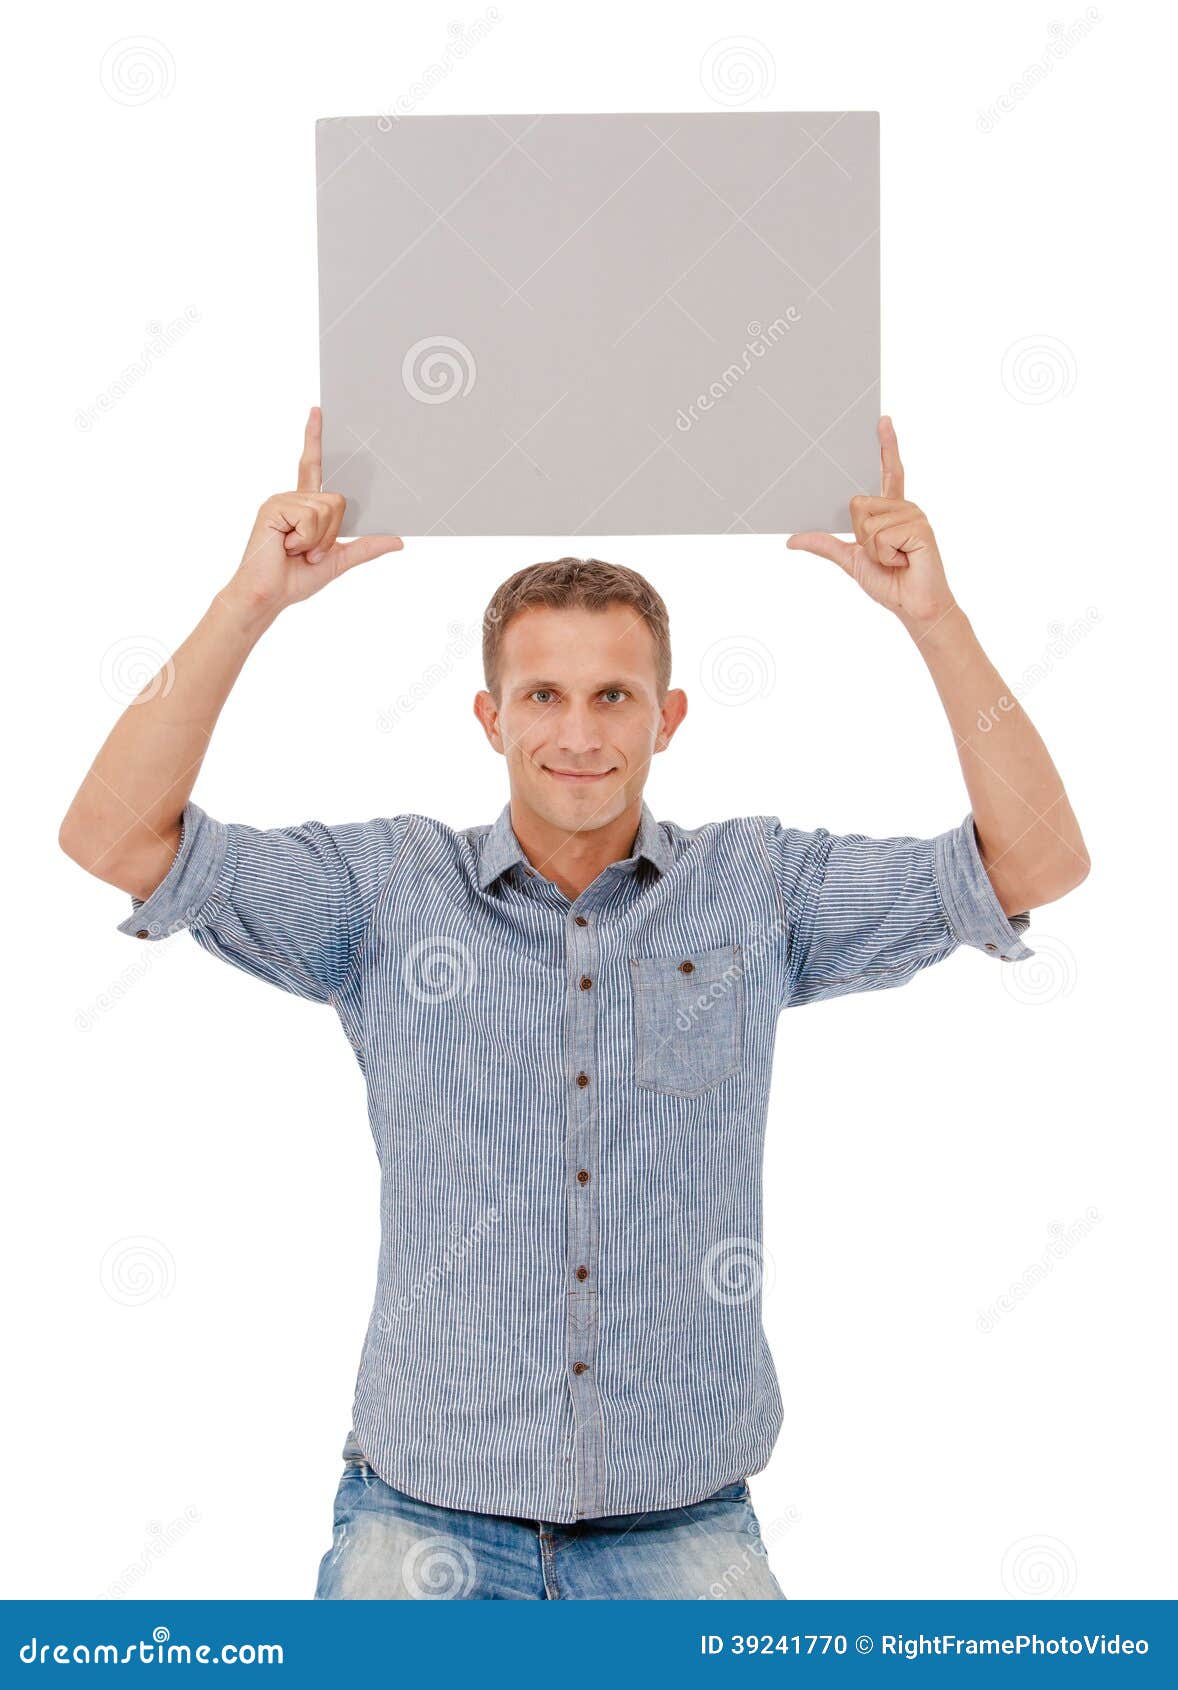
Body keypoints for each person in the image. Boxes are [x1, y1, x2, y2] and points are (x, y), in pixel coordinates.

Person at [59, 407, 1089, 1600]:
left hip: (682, 1520)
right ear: (491, 718)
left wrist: (932, 619)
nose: (579, 733)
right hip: (421, 1513)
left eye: (613, 696)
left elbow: (1035, 864)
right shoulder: (384, 890)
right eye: (542, 696)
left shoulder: (756, 886)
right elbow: (110, 836)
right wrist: (250, 602)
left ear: (667, 716)